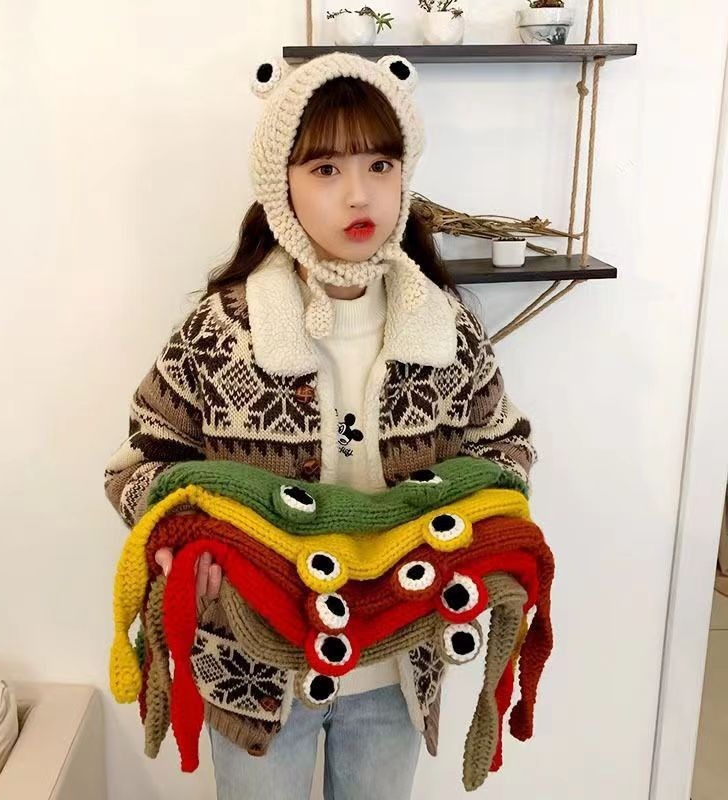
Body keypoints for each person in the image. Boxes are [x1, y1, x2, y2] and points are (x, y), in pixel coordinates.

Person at [104, 51, 536, 800]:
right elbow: (139, 462)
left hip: (397, 667)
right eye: (326, 169)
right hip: (251, 667)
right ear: (283, 185)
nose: (358, 193)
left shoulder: (447, 329)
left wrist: (473, 543)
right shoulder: (221, 330)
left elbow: (505, 450)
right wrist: (185, 546)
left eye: (380, 164)